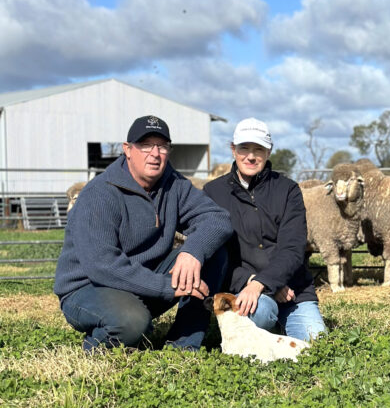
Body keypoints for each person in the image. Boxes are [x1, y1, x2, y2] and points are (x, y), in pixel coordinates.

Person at [54, 115, 233, 352]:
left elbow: (218, 219)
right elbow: (102, 265)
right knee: (131, 323)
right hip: (89, 287)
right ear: (128, 150)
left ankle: (183, 344)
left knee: (214, 251)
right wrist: (166, 287)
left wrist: (192, 252)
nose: (155, 153)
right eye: (146, 145)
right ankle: (99, 344)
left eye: (162, 146)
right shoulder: (100, 194)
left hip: (141, 278)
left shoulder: (174, 185)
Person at [204, 117, 326, 342]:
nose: (251, 156)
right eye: (244, 148)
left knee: (316, 341)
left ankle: (277, 328)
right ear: (233, 150)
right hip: (245, 287)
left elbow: (293, 247)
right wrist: (253, 282)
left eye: (258, 149)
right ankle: (267, 329)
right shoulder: (213, 192)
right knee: (257, 313)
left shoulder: (288, 190)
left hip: (293, 290)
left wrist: (266, 282)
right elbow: (218, 254)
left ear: (269, 151)